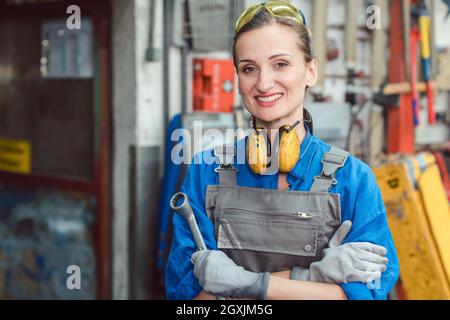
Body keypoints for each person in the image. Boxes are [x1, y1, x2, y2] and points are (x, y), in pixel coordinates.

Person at [165, 1, 399, 300]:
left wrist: (241, 283)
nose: (263, 83)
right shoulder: (205, 170)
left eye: (281, 64)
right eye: (249, 68)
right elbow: (189, 300)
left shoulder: (353, 179)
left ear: (311, 71)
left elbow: (367, 295)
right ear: (237, 78)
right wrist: (315, 278)